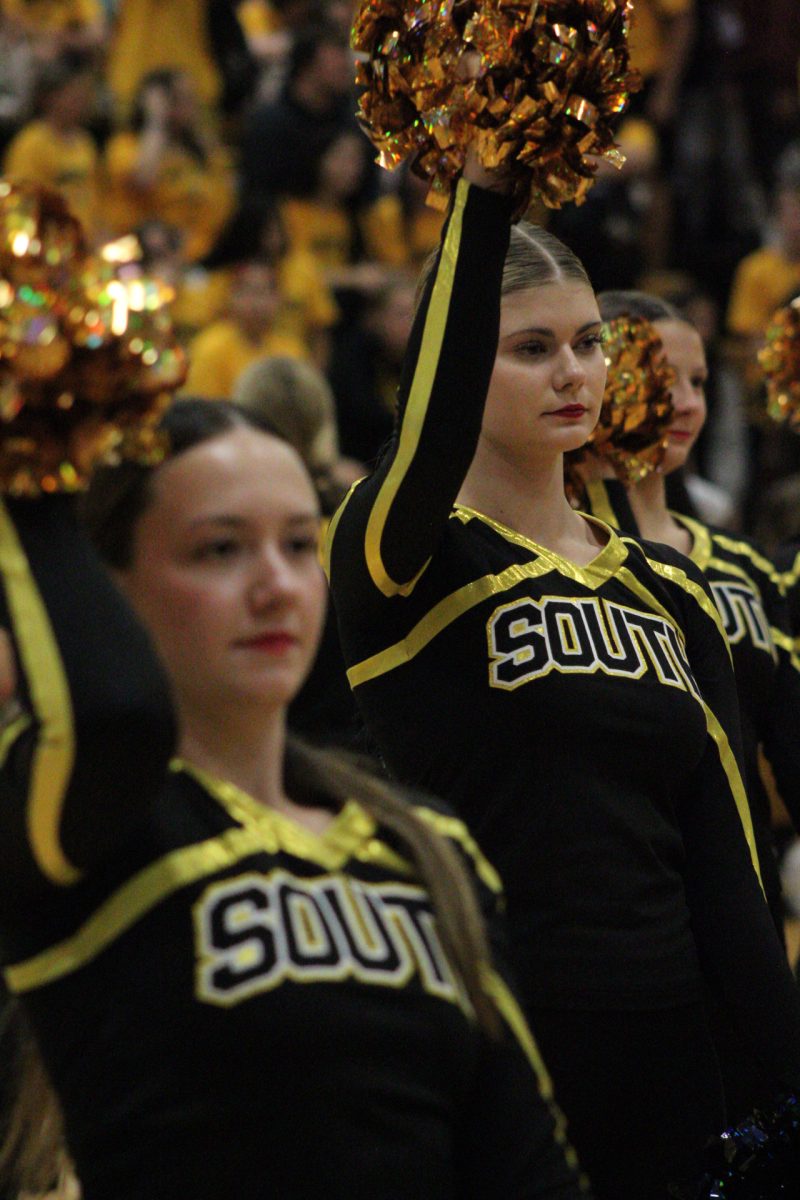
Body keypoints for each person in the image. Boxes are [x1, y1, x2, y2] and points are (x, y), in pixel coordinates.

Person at [324, 153, 800, 1199]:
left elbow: (727, 871)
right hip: (490, 1043)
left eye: (586, 343)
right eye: (529, 349)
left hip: (671, 1051)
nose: (573, 372)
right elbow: (426, 434)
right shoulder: (404, 554)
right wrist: (484, 197)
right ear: (457, 364)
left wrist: (784, 1079)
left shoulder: (666, 591)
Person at [0, 393, 589, 1200]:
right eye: (220, 550)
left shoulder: (425, 845)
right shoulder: (80, 824)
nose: (277, 585)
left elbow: (529, 1169)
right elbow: (113, 713)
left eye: (297, 543)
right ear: (111, 590)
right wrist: (33, 452)